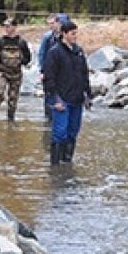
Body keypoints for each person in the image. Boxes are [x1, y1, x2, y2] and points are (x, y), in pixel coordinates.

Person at [42, 20, 91, 165]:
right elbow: (49, 78)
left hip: (77, 99)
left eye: (77, 33)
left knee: (73, 132)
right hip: (61, 99)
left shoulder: (79, 52)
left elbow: (84, 74)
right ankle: (55, 166)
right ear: (64, 34)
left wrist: (88, 95)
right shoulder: (54, 52)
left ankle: (67, 161)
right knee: (60, 133)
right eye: (72, 33)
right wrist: (55, 99)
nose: (75, 36)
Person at [0, 18, 31, 123]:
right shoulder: (0, 42)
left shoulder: (21, 42)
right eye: (5, 26)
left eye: (9, 26)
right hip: (3, 72)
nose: (7, 29)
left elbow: (28, 58)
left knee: (13, 98)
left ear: (14, 27)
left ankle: (10, 119)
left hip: (16, 74)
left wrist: (20, 61)